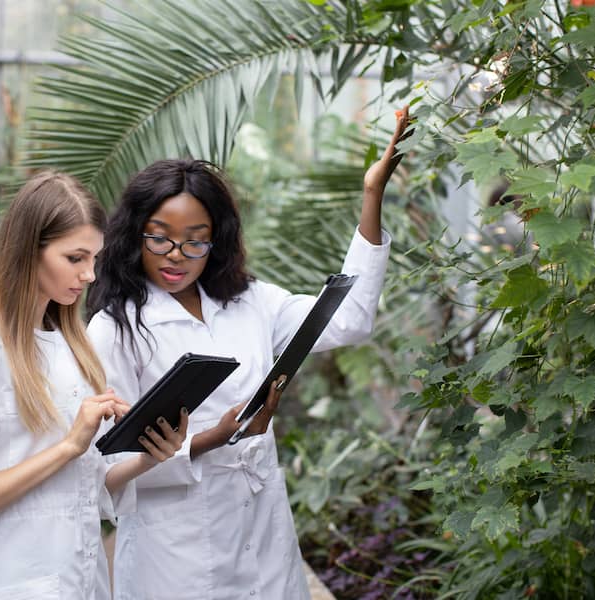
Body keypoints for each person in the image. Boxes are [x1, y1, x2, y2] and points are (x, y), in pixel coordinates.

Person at [86, 107, 411, 600]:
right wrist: (209, 439)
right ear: (135, 234)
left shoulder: (251, 302)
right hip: (175, 554)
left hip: (263, 534)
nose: (176, 255)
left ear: (217, 243)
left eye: (196, 242)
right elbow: (104, 472)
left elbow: (350, 320)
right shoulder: (115, 329)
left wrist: (372, 195)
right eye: (160, 238)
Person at [0, 171, 188, 600]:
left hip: (83, 582)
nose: (91, 274)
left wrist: (148, 457)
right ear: (27, 252)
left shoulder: (74, 345)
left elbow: (82, 486)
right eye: (75, 258)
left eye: (94, 258)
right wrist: (67, 446)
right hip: (4, 585)